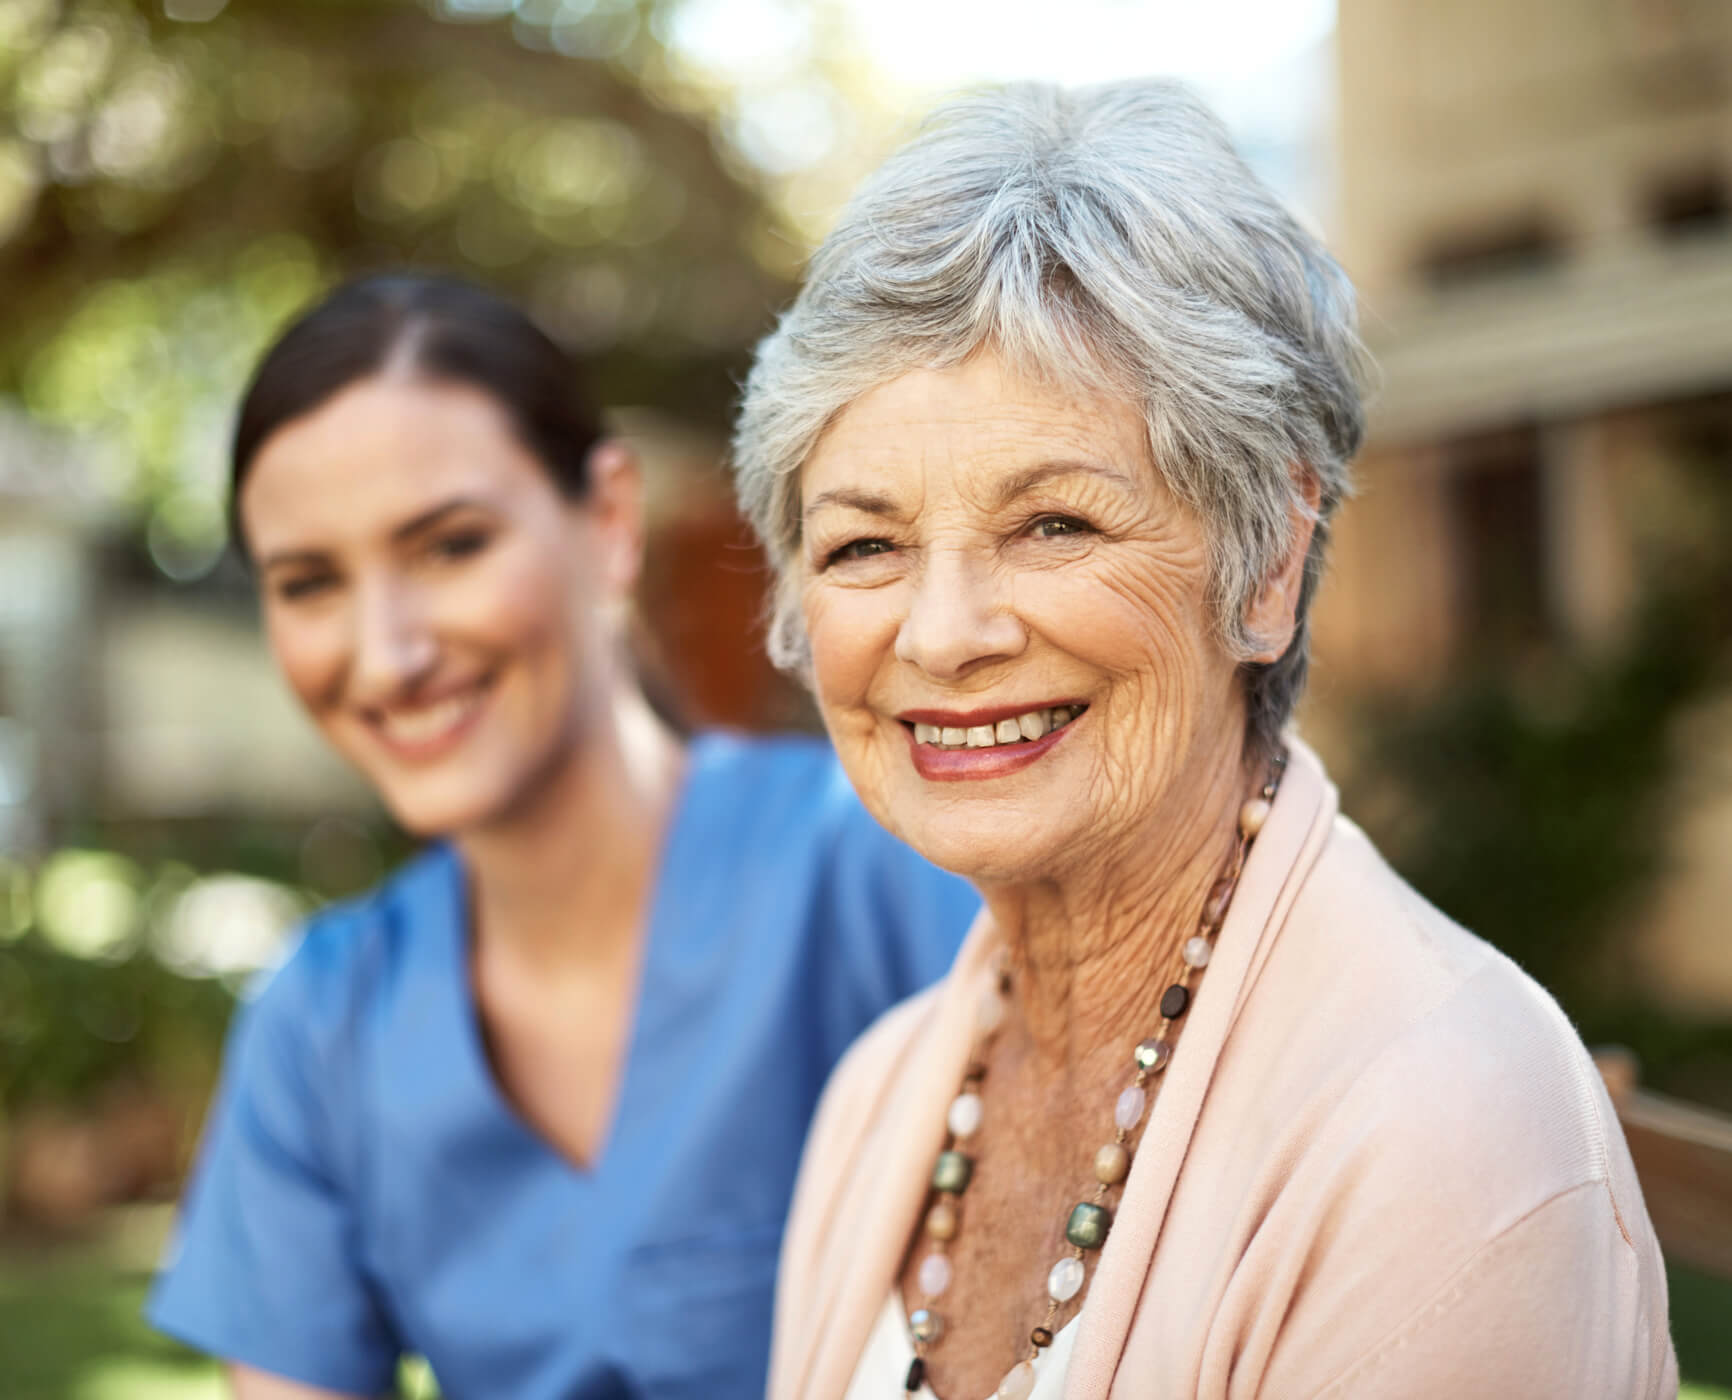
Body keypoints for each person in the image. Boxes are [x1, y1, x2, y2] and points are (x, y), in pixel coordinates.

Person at [730, 81, 1677, 1399]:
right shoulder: (880, 1097)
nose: (941, 635)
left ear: (1267, 565)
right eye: (865, 545)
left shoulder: (1444, 1122)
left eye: (1054, 523)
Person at [146, 273, 978, 1400]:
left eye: (449, 546)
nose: (386, 652)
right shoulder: (320, 1027)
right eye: (309, 582)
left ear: (608, 522)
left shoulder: (886, 864)